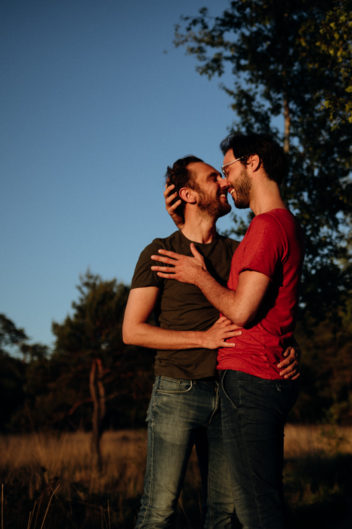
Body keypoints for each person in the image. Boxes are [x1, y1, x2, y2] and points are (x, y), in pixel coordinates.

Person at [123, 155, 299, 529]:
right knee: (157, 512)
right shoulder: (159, 252)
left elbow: (265, 308)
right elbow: (132, 331)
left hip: (228, 395)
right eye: (211, 178)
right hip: (176, 391)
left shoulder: (239, 250)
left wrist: (291, 348)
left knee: (223, 514)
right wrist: (203, 339)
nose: (223, 183)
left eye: (222, 175)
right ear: (188, 194)